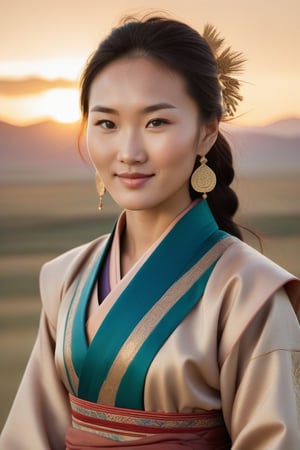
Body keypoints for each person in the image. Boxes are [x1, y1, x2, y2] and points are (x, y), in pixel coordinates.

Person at [1, 15, 299, 450]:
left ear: (206, 132)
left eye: (156, 122)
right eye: (107, 124)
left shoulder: (250, 292)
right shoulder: (64, 277)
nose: (129, 152)